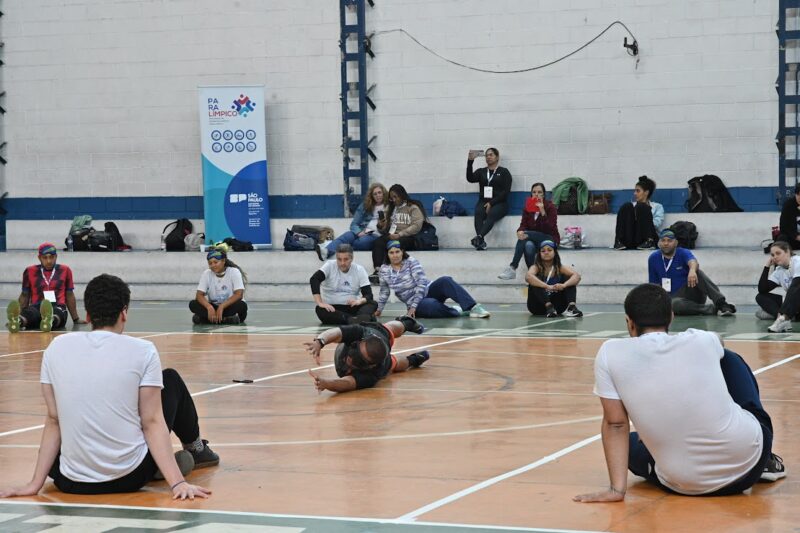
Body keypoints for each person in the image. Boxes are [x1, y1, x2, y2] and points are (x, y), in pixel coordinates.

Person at [0, 274, 218, 500]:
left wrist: (34, 484)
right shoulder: (143, 350)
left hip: (69, 481)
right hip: (130, 477)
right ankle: (196, 450)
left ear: (88, 315)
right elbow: (151, 422)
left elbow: (54, 420)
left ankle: (157, 465)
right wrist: (178, 483)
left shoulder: (56, 347)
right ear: (124, 313)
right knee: (170, 379)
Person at [573, 283, 785, 503]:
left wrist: (616, 490)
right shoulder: (702, 339)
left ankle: (623, 485)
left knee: (629, 444)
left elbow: (615, 424)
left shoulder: (609, 352)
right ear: (672, 317)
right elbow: (718, 343)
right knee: (729, 357)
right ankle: (768, 460)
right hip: (750, 465)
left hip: (684, 484)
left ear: (629, 322)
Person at [304, 316, 430, 393]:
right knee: (389, 328)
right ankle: (407, 323)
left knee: (394, 363)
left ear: (370, 365)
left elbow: (348, 383)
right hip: (376, 332)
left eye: (359, 359)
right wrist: (320, 342)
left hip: (382, 357)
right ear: (359, 341)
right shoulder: (360, 332)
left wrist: (328, 384)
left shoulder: (373, 373)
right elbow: (336, 332)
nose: (351, 358)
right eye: (354, 349)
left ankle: (414, 359)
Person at [377, 240, 490, 318]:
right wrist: (379, 310)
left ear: (402, 251)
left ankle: (472, 308)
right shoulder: (384, 270)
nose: (395, 255)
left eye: (397, 251)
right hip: (417, 304)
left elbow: (421, 284)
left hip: (428, 290)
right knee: (430, 305)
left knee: (445, 280)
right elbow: (384, 291)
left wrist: (413, 306)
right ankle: (455, 311)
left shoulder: (411, 261)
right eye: (391, 253)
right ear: (387, 254)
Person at [647, 229, 736, 316]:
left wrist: (692, 270)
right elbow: (654, 285)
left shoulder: (682, 252)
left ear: (676, 243)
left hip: (691, 292)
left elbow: (693, 262)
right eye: (663, 240)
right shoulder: (653, 258)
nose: (666, 243)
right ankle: (713, 309)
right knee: (674, 305)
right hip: (673, 299)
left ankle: (721, 303)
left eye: (669, 241)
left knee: (697, 272)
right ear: (659, 243)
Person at [6, 242, 86, 333]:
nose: (49, 261)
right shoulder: (29, 271)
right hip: (36, 307)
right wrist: (22, 313)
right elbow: (24, 295)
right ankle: (17, 321)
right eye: (45, 258)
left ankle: (50, 321)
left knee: (58, 313)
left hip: (58, 306)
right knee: (30, 313)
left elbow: (69, 295)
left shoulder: (65, 270)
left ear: (56, 257)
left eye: (51, 257)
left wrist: (76, 318)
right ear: (39, 258)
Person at [498, 182, 560, 280]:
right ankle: (534, 274)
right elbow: (523, 225)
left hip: (549, 238)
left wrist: (542, 211)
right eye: (534, 192)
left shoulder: (550, 207)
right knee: (528, 245)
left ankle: (513, 267)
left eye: (539, 192)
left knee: (526, 234)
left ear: (544, 194)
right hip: (533, 240)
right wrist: (520, 231)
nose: (536, 194)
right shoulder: (528, 207)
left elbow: (549, 228)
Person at [317, 182, 388, 260]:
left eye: (379, 192)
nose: (378, 195)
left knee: (361, 242)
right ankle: (326, 251)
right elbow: (354, 224)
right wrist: (359, 232)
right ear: (372, 196)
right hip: (362, 231)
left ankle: (334, 245)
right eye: (375, 194)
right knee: (347, 235)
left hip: (376, 235)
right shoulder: (365, 206)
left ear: (383, 193)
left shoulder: (389, 206)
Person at [370, 184, 426, 282]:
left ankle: (395, 273)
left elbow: (416, 226)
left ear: (402, 195)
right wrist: (381, 226)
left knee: (394, 243)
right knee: (378, 242)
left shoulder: (413, 207)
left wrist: (400, 234)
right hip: (393, 235)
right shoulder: (391, 209)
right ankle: (378, 270)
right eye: (391, 198)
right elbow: (385, 230)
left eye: (395, 197)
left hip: (409, 237)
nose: (394, 200)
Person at [310, 243, 377, 325]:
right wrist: (320, 303)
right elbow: (314, 279)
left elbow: (369, 295)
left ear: (351, 258)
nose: (342, 263)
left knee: (372, 303)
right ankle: (358, 319)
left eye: (346, 259)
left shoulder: (359, 269)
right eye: (339, 259)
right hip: (333, 308)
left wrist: (359, 301)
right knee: (320, 309)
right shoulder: (329, 265)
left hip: (352, 307)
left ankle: (353, 319)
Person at [466, 147, 512, 250]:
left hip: (500, 202)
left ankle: (479, 237)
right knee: (478, 212)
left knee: (492, 213)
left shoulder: (504, 172)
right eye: (486, 155)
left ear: (497, 157)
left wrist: (491, 203)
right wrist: (470, 161)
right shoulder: (481, 171)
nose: (488, 157)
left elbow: (506, 191)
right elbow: (470, 178)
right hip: (483, 201)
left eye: (491, 155)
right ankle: (480, 242)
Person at [189, 246, 248, 325]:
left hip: (229, 306)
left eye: (216, 262)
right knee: (193, 304)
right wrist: (209, 307)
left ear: (223, 261)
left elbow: (239, 294)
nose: (213, 265)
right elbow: (199, 295)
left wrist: (222, 306)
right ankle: (225, 319)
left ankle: (208, 319)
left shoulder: (234, 272)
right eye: (210, 263)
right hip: (214, 308)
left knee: (242, 305)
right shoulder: (207, 273)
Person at [524, 240, 583, 318]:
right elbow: (528, 277)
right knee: (534, 279)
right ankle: (549, 306)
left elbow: (577, 276)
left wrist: (564, 285)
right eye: (543, 251)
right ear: (539, 254)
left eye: (549, 250)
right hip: (537, 307)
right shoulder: (535, 267)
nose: (546, 252)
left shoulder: (560, 267)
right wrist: (547, 286)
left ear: (555, 252)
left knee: (569, 278)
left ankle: (572, 308)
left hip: (558, 307)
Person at [756, 240, 800, 332]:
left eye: (778, 253)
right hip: (793, 303)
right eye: (772, 255)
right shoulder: (779, 270)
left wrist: (782, 311)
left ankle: (785, 317)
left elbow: (796, 285)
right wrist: (766, 267)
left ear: (787, 252)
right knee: (760, 297)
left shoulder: (798, 261)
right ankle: (782, 318)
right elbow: (762, 289)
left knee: (797, 286)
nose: (775, 257)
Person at [613, 175, 664, 250]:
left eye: (638, 191)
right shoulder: (631, 207)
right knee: (626, 205)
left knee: (641, 207)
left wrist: (643, 215)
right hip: (632, 237)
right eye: (635, 191)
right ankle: (619, 241)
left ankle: (649, 242)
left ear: (646, 192)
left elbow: (657, 223)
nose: (635, 193)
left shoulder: (657, 206)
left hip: (647, 237)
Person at [777, 182, 800, 250]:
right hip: (792, 239)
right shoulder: (788, 205)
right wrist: (796, 236)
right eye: (798, 195)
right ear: (795, 194)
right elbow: (783, 226)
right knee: (782, 238)